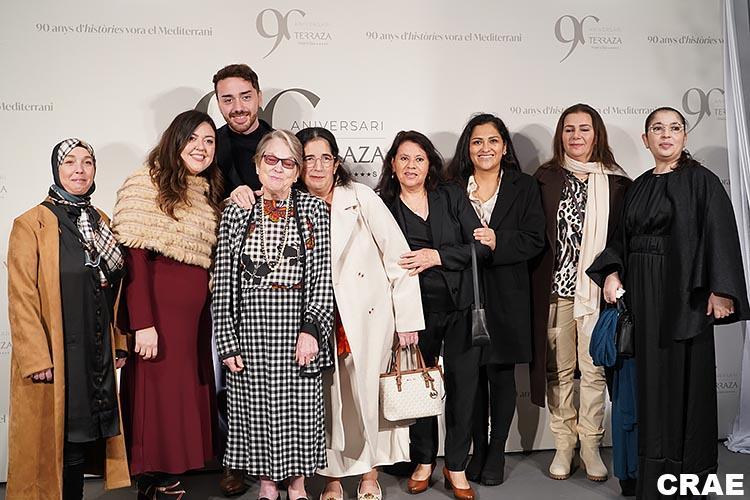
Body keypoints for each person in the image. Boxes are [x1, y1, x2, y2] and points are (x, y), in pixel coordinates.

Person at [587, 106, 749, 499]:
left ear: (684, 136)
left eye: (674, 128)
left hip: (684, 295)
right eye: (657, 129)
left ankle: (688, 478)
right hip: (641, 295)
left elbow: (720, 233)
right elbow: (619, 240)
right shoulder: (638, 186)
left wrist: (722, 289)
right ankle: (651, 477)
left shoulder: (702, 181)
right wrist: (612, 272)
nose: (666, 135)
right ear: (646, 139)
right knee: (648, 384)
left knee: (686, 382)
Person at [295, 127, 425, 500]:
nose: (317, 166)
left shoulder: (360, 197)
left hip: (368, 316)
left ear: (336, 163)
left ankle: (370, 476)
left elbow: (398, 258)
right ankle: (332, 479)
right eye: (308, 158)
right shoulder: (290, 204)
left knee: (368, 397)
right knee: (328, 402)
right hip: (316, 320)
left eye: (325, 158)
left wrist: (407, 320)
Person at [213, 130, 335, 500]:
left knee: (299, 411)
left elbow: (321, 276)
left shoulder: (314, 211)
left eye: (288, 162)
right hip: (250, 330)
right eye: (271, 160)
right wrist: (227, 340)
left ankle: (297, 486)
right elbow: (224, 280)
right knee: (254, 410)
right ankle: (267, 485)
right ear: (257, 165)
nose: (278, 168)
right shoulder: (237, 210)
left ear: (297, 171)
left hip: (297, 328)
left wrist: (312, 329)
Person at [6, 139, 130, 499]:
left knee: (84, 438)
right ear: (56, 169)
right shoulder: (31, 224)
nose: (79, 169)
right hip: (56, 354)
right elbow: (21, 296)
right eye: (70, 162)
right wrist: (36, 358)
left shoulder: (100, 221)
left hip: (94, 351)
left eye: (87, 162)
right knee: (60, 441)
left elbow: (116, 291)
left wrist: (118, 342)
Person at [376, 130, 493, 500]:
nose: (411, 166)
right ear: (392, 165)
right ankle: (424, 460)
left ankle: (455, 465)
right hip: (414, 315)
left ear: (430, 165)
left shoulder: (451, 196)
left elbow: (480, 248)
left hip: (462, 307)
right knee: (419, 388)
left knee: (463, 388)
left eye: (419, 159)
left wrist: (436, 256)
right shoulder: (382, 205)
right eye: (404, 158)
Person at [112, 110, 222, 498]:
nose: (201, 147)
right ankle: (151, 478)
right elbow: (135, 258)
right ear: (175, 140)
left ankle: (167, 473)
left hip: (193, 319)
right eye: (193, 138)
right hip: (158, 313)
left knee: (179, 393)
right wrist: (142, 322)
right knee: (154, 393)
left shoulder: (205, 191)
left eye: (209, 141)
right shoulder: (147, 182)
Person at [529, 103, 631, 482]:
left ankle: (590, 444)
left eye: (584, 129)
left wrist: (614, 275)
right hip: (555, 292)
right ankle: (563, 443)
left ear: (596, 134)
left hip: (596, 293)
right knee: (558, 370)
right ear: (561, 135)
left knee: (593, 371)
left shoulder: (618, 183)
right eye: (569, 129)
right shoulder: (544, 178)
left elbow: (623, 239)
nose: (576, 136)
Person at [444, 113, 545, 486]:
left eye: (492, 141)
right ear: (467, 149)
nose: (484, 148)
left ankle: (498, 451)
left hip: (508, 293)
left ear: (504, 147)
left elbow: (535, 239)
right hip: (463, 292)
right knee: (469, 377)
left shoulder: (525, 186)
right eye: (477, 141)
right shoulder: (452, 188)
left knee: (501, 376)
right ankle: (478, 449)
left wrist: (499, 241)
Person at [214, 63, 273, 197]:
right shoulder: (209, 149)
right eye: (228, 100)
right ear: (218, 104)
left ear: (259, 98)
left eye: (246, 97)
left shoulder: (284, 145)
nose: (238, 108)